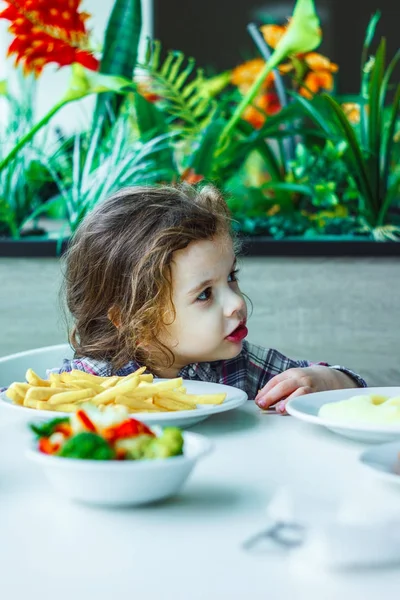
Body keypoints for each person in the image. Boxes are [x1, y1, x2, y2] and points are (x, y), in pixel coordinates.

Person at [54, 184, 366, 413]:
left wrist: (324, 381)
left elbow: (359, 394)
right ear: (132, 322)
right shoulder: (90, 382)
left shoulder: (237, 365)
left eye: (231, 277)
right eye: (205, 294)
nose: (236, 303)